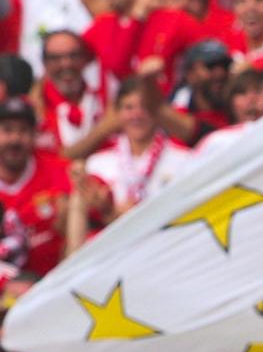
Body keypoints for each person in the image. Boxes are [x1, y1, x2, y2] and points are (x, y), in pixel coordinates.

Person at [84, 77, 191, 220]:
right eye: (128, 108)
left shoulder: (183, 159)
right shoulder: (97, 164)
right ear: (117, 112)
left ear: (157, 110)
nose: (136, 115)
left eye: (145, 107)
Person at [0, 98, 72, 275]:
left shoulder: (60, 172)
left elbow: (100, 202)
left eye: (23, 131)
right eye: (7, 130)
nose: (15, 139)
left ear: (34, 135)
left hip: (55, 283)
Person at [35, 31, 108, 157]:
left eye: (73, 56)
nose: (66, 64)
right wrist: (104, 129)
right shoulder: (33, 109)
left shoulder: (104, 102)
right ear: (44, 63)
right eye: (55, 58)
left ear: (85, 59)